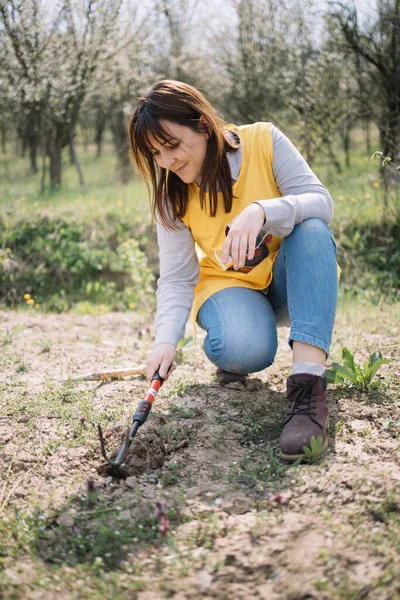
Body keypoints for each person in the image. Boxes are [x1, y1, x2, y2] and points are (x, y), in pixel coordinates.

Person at [128, 80, 338, 461]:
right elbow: (177, 278)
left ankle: (308, 388)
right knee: (243, 349)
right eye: (155, 153)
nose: (166, 162)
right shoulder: (171, 197)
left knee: (312, 228)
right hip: (228, 287)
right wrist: (164, 341)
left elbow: (321, 202)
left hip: (294, 282)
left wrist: (262, 210)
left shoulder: (265, 140)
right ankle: (231, 346)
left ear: (203, 125)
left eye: (172, 145)